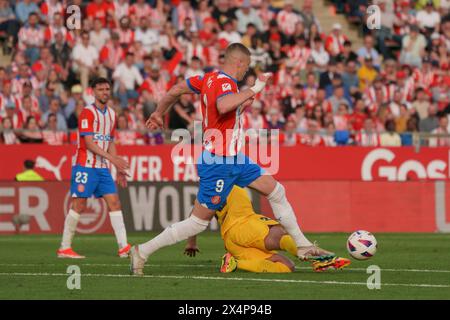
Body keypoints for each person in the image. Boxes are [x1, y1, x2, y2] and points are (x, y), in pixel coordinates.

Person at [130, 43, 335, 276]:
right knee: (197, 223)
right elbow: (224, 104)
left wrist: (159, 112)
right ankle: (142, 251)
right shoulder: (227, 83)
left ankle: (303, 245)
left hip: (235, 158)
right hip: (219, 161)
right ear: (239, 63)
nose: (246, 72)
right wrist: (255, 88)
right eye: (246, 68)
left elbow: (175, 90)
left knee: (276, 190)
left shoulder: (207, 79)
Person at [184, 186, 351, 273]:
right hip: (245, 224)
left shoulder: (207, 193)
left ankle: (234, 263)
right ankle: (322, 256)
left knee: (286, 266)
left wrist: (191, 243)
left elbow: (195, 216)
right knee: (279, 234)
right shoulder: (229, 181)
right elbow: (266, 186)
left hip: (232, 243)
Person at [57, 78, 131, 259]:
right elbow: (89, 143)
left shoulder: (112, 114)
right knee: (79, 204)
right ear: (93, 92)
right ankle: (64, 248)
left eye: (107, 89)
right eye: (101, 89)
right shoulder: (87, 113)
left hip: (102, 167)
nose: (105, 92)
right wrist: (113, 160)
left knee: (114, 203)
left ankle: (124, 247)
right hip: (85, 165)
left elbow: (110, 141)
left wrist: (118, 167)